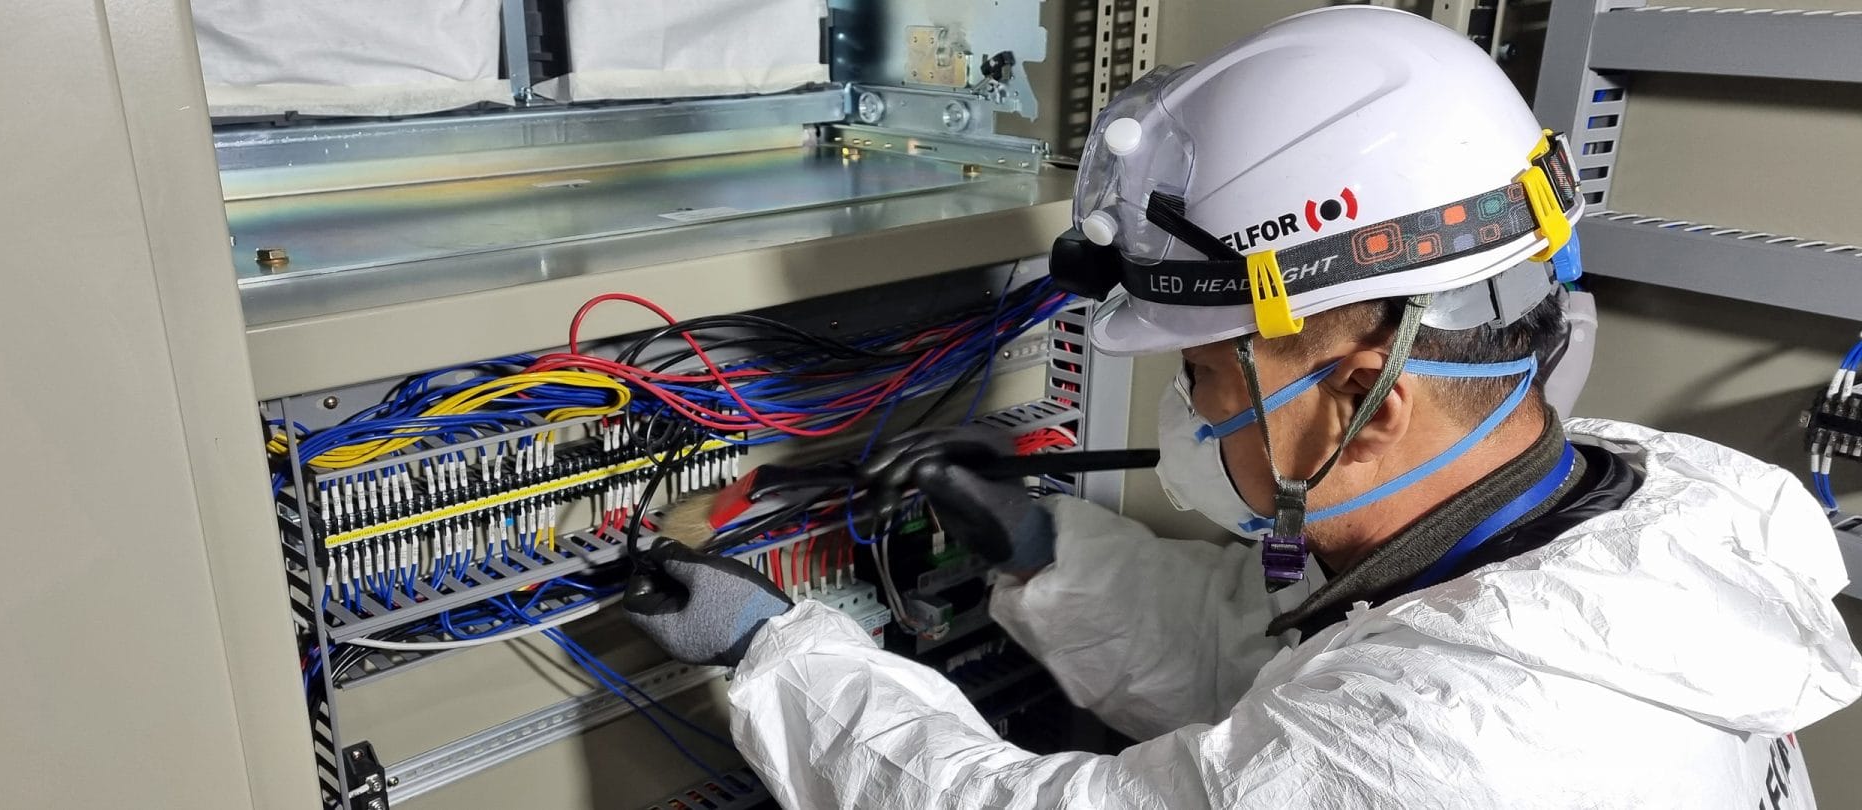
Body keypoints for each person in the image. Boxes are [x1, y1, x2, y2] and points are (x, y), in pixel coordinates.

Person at [625, 7, 1862, 807]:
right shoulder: (1636, 513)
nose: (1193, 409)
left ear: (1365, 386)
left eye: (1206, 373)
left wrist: (777, 657)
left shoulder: (1459, 756)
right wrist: (1052, 556)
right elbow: (1295, 677)